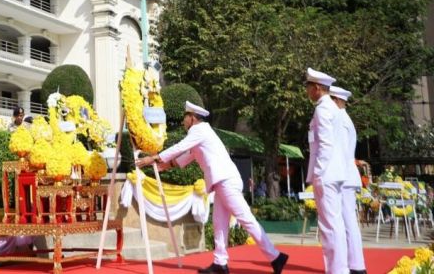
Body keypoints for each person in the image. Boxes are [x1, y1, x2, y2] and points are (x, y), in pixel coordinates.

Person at [136, 101, 288, 274]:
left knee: (246, 219)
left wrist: (153, 158)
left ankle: (275, 256)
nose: (183, 122)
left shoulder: (199, 131)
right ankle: (220, 263)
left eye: (185, 118)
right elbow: (187, 156)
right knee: (219, 223)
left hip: (226, 181)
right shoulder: (202, 133)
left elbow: (180, 147)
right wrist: (163, 163)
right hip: (223, 182)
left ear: (192, 118)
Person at [305, 68, 348, 274]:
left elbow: (325, 144)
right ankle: (340, 268)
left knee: (329, 226)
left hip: (326, 174)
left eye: (308, 87)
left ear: (317, 88)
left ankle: (336, 270)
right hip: (336, 173)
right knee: (335, 224)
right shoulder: (334, 108)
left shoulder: (323, 109)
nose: (307, 91)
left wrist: (318, 173)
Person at [330, 86, 366, 274]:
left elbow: (341, 152)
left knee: (347, 222)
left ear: (336, 100)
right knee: (347, 221)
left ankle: (356, 265)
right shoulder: (344, 119)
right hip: (344, 175)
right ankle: (355, 264)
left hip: (342, 176)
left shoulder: (340, 120)